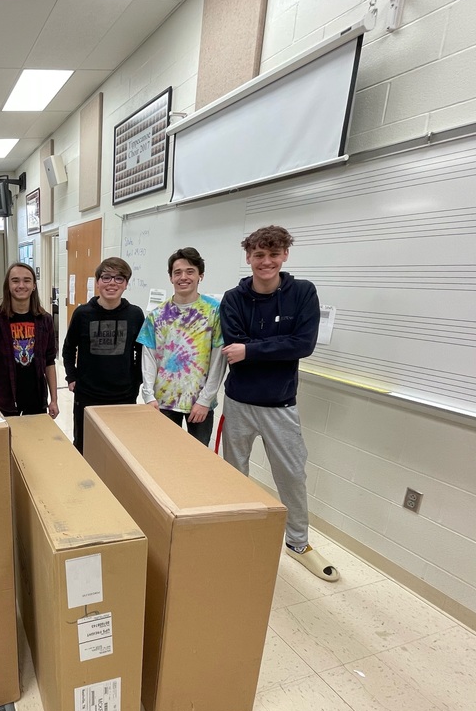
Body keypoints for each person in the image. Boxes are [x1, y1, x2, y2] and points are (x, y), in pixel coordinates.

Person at [219, 225, 339, 581]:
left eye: (273, 254)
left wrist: (251, 350)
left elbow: (303, 345)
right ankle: (236, 531)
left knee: (292, 475)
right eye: (259, 255)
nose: (266, 262)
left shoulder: (303, 293)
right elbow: (232, 346)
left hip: (280, 404)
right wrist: (272, 346)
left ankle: (298, 543)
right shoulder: (233, 298)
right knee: (233, 472)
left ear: (285, 255)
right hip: (238, 401)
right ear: (248, 258)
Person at [137, 247, 224, 447]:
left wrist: (205, 399)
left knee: (197, 459)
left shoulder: (215, 312)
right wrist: (148, 396)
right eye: (177, 272)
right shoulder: (157, 315)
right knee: (163, 456)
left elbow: (219, 359)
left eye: (190, 271)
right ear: (170, 277)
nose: (183, 277)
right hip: (163, 402)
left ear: (200, 275)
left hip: (200, 404)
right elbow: (148, 358)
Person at [62, 256, 144, 453]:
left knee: (120, 448)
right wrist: (71, 376)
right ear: (98, 282)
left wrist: (137, 383)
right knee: (84, 445)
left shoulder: (135, 314)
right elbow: (68, 347)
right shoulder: (83, 313)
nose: (112, 283)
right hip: (88, 394)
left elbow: (142, 353)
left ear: (126, 284)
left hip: (123, 395)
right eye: (106, 278)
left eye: (119, 278)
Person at [0, 262, 59, 418]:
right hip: (4, 400)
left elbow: (50, 361)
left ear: (34, 285)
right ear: (8, 285)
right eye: (15, 280)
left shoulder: (44, 319)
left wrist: (54, 399)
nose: (21, 285)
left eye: (26, 280)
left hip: (36, 400)